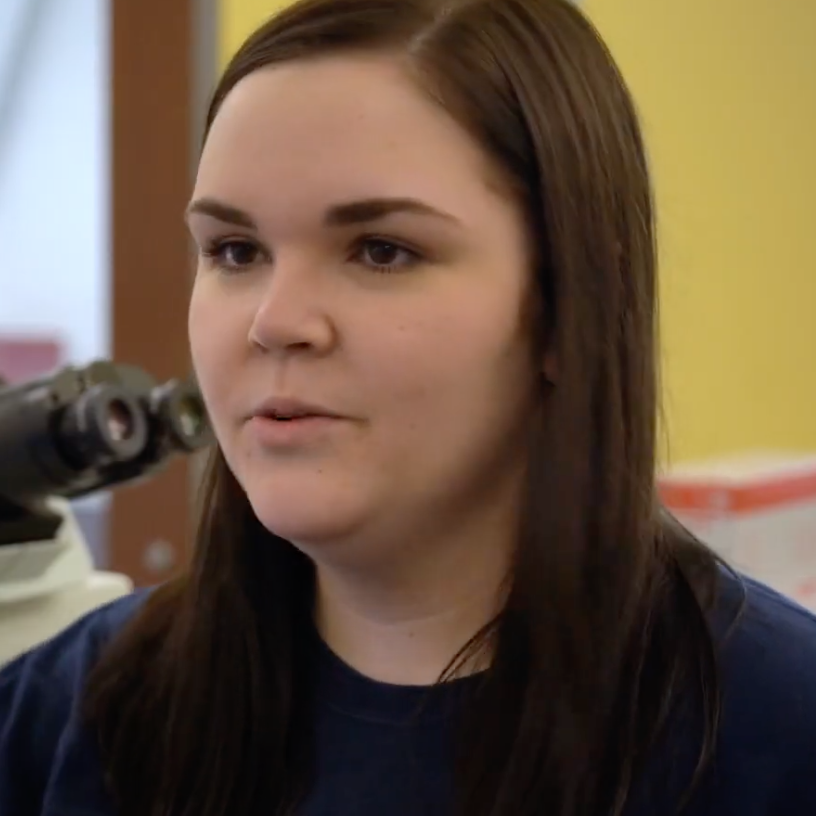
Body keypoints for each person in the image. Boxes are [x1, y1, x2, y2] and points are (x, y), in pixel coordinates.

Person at [2, 0, 816, 814]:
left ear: (571, 306)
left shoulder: (773, 731)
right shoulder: (79, 714)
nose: (274, 320)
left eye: (381, 251)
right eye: (235, 251)